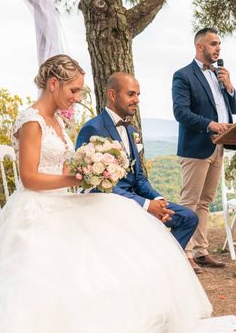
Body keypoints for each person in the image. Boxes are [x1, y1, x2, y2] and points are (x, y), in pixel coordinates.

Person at [0, 55, 212, 333]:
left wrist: (92, 172)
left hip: (62, 202)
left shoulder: (59, 121)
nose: (76, 98)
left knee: (117, 212)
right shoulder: (31, 121)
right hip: (36, 207)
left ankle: (127, 301)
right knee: (106, 221)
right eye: (73, 90)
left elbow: (66, 166)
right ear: (53, 83)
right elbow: (30, 178)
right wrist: (77, 179)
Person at [76, 72, 200, 272]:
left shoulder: (130, 130)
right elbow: (93, 183)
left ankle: (161, 267)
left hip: (136, 199)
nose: (137, 100)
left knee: (188, 217)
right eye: (131, 94)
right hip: (108, 203)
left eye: (138, 95)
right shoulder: (92, 129)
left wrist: (157, 200)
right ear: (112, 95)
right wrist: (146, 205)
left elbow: (139, 177)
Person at [172, 27, 236, 271]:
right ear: (199, 46)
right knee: (189, 202)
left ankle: (201, 251)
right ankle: (185, 252)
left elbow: (235, 106)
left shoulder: (220, 75)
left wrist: (229, 85)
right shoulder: (183, 75)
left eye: (219, 44)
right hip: (195, 147)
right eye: (213, 44)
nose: (218, 48)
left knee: (205, 202)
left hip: (219, 147)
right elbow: (181, 112)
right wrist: (210, 124)